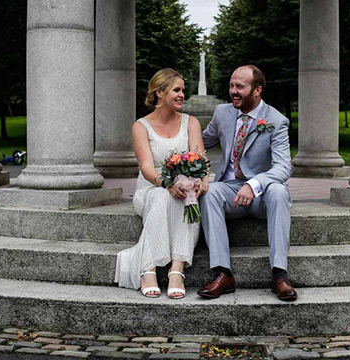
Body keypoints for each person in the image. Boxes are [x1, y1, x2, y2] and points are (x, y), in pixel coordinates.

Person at [198, 65, 297, 301]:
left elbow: (284, 167)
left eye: (240, 86)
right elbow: (200, 142)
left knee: (279, 191)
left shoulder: (276, 120)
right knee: (210, 192)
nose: (233, 91)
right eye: (231, 85)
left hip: (262, 196)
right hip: (230, 190)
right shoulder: (222, 113)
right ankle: (223, 273)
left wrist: (254, 185)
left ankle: (279, 274)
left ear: (257, 90)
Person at [115, 68, 208, 299]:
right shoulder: (141, 126)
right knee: (163, 196)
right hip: (152, 188)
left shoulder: (191, 122)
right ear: (159, 92)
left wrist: (202, 181)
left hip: (186, 187)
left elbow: (201, 158)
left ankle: (177, 269)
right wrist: (166, 183)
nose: (181, 95)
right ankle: (149, 268)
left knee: (189, 196)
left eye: (182, 90)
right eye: (176, 90)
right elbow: (146, 168)